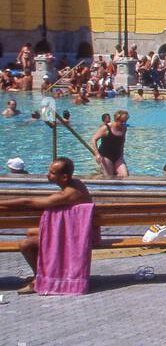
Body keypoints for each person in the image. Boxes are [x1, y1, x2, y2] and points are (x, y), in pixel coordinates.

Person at [0, 158, 93, 294]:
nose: (48, 174)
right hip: (81, 231)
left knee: (25, 244)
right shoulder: (77, 183)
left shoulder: (67, 194)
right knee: (31, 233)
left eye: (52, 172)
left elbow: (29, 202)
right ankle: (43, 272)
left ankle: (42, 279)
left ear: (64, 177)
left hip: (77, 238)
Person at [92, 109, 130, 177]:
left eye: (125, 122)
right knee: (109, 177)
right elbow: (94, 139)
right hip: (106, 155)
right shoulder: (106, 128)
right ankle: (100, 173)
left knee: (125, 176)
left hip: (118, 156)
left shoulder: (124, 128)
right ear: (116, 120)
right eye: (122, 122)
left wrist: (121, 156)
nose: (123, 124)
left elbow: (122, 142)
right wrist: (97, 154)